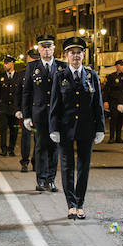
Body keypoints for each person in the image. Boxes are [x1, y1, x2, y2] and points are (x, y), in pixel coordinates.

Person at [48, 36, 104, 219]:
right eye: (72, 52)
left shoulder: (91, 75)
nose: (76, 56)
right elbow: (55, 104)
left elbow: (98, 104)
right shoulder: (60, 76)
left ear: (83, 54)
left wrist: (100, 128)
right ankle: (70, 204)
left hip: (86, 128)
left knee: (83, 167)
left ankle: (80, 203)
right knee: (66, 166)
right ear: (66, 55)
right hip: (65, 128)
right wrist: (53, 128)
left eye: (79, 52)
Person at [22, 36, 61, 192]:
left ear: (53, 48)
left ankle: (51, 180)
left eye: (49, 47)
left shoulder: (61, 67)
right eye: (43, 47)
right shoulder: (32, 67)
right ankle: (41, 179)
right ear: (39, 49)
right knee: (40, 146)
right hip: (39, 113)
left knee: (54, 147)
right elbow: (27, 92)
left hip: (57, 114)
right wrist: (26, 115)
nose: (46, 50)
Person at [15, 48, 38, 172]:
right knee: (26, 137)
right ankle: (24, 161)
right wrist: (18, 109)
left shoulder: (42, 72)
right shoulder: (21, 74)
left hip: (38, 109)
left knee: (38, 138)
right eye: (32, 58)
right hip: (26, 109)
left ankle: (36, 161)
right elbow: (18, 93)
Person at [0, 57, 21, 156]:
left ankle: (11, 149)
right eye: (4, 63)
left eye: (7, 63)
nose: (5, 65)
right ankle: (3, 149)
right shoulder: (0, 76)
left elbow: (21, 93)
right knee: (3, 129)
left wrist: (21, 108)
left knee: (14, 129)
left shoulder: (19, 76)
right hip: (3, 107)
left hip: (15, 108)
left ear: (12, 64)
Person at [102, 60, 123, 144]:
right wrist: (105, 101)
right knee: (113, 119)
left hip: (122, 101)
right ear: (116, 66)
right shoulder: (111, 76)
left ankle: (118, 137)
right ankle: (112, 137)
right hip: (113, 101)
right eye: (121, 65)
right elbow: (107, 90)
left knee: (120, 119)